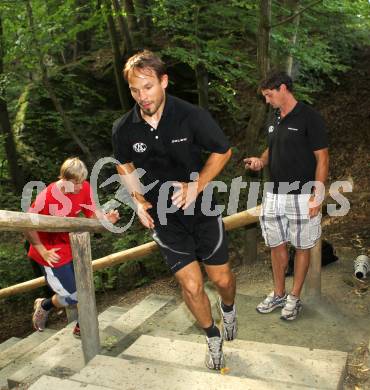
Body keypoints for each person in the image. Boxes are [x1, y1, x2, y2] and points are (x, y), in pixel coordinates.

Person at [112, 50, 236, 370]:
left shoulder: (191, 116)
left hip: (203, 208)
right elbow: (123, 163)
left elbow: (223, 151)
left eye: (148, 87)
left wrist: (197, 184)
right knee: (192, 285)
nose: (143, 97)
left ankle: (229, 307)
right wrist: (137, 200)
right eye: (135, 90)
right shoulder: (123, 128)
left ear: (164, 81)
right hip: (164, 217)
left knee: (221, 280)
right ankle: (212, 337)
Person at [244, 71, 329, 320]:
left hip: (302, 194)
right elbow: (272, 147)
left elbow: (322, 158)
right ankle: (279, 293)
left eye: (269, 95)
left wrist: (317, 195)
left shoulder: (309, 117)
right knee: (275, 244)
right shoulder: (275, 116)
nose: (267, 101)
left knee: (301, 246)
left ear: (283, 89)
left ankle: (294, 297)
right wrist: (261, 160)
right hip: (274, 193)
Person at [25, 157, 119, 336]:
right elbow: (27, 225)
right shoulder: (46, 196)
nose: (79, 187)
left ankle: (78, 325)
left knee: (83, 290)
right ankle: (46, 306)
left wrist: (106, 220)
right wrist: (42, 251)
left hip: (73, 248)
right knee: (76, 295)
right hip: (52, 254)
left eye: (81, 182)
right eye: (75, 183)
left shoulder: (84, 187)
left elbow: (92, 215)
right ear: (63, 178)